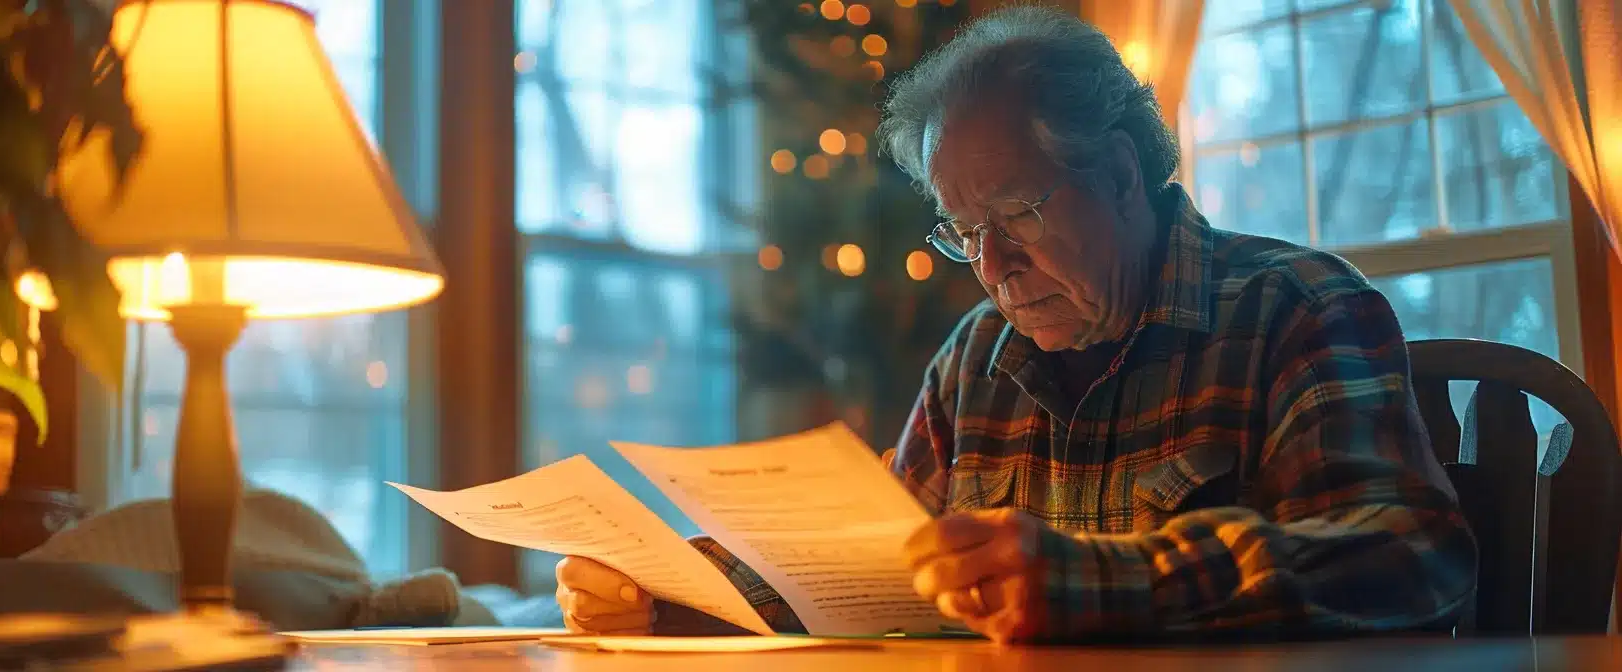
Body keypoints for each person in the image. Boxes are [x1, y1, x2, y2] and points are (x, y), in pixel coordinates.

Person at [553, 6, 1475, 644]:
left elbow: (1409, 554)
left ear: (1118, 175)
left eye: (1018, 214)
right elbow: (872, 566)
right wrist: (668, 591)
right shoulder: (978, 359)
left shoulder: (1297, 308)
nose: (992, 271)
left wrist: (1108, 584)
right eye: (965, 233)